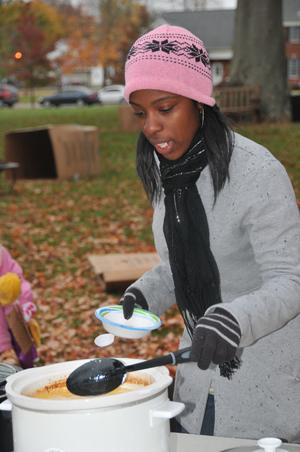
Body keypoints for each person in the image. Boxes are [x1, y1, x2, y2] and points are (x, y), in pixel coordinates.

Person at [120, 24, 300, 442]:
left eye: (165, 108)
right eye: (141, 113)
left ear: (200, 102)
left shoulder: (257, 172)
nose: (151, 127)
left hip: (267, 383)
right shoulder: (171, 175)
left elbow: (292, 280)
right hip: (197, 383)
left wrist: (234, 319)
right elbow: (182, 265)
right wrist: (148, 291)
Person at [0, 245, 40, 368]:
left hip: (10, 322)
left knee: (21, 362)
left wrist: (24, 303)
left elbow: (17, 281)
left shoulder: (2, 255)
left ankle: (13, 360)